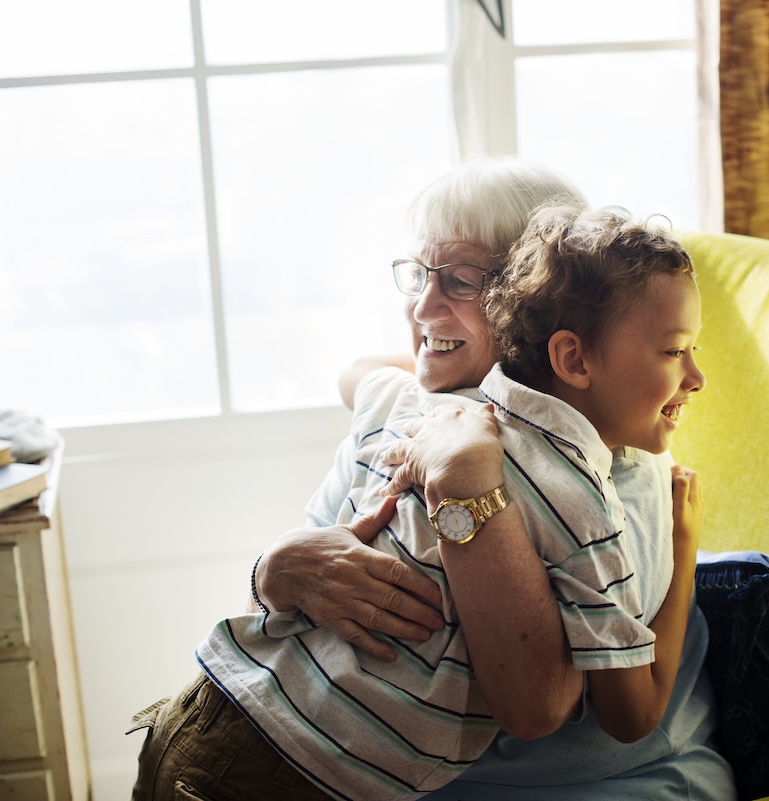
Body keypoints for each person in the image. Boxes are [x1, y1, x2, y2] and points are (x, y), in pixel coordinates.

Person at [130, 158, 736, 801]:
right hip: (250, 726)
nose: (421, 305)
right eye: (417, 273)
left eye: (462, 280)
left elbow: (550, 708)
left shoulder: (610, 478)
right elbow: (289, 611)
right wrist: (274, 568)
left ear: (533, 299)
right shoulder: (409, 407)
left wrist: (464, 485)